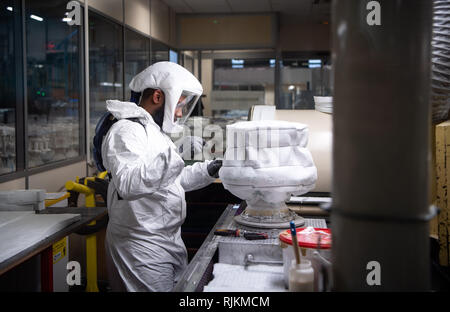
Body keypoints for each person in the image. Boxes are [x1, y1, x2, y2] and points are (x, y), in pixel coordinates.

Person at [101, 61, 222, 292]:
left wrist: (208, 170)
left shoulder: (154, 131)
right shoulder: (126, 130)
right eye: (179, 104)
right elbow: (128, 184)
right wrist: (175, 155)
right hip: (140, 246)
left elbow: (169, 182)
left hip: (166, 240)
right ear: (158, 96)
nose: (179, 112)